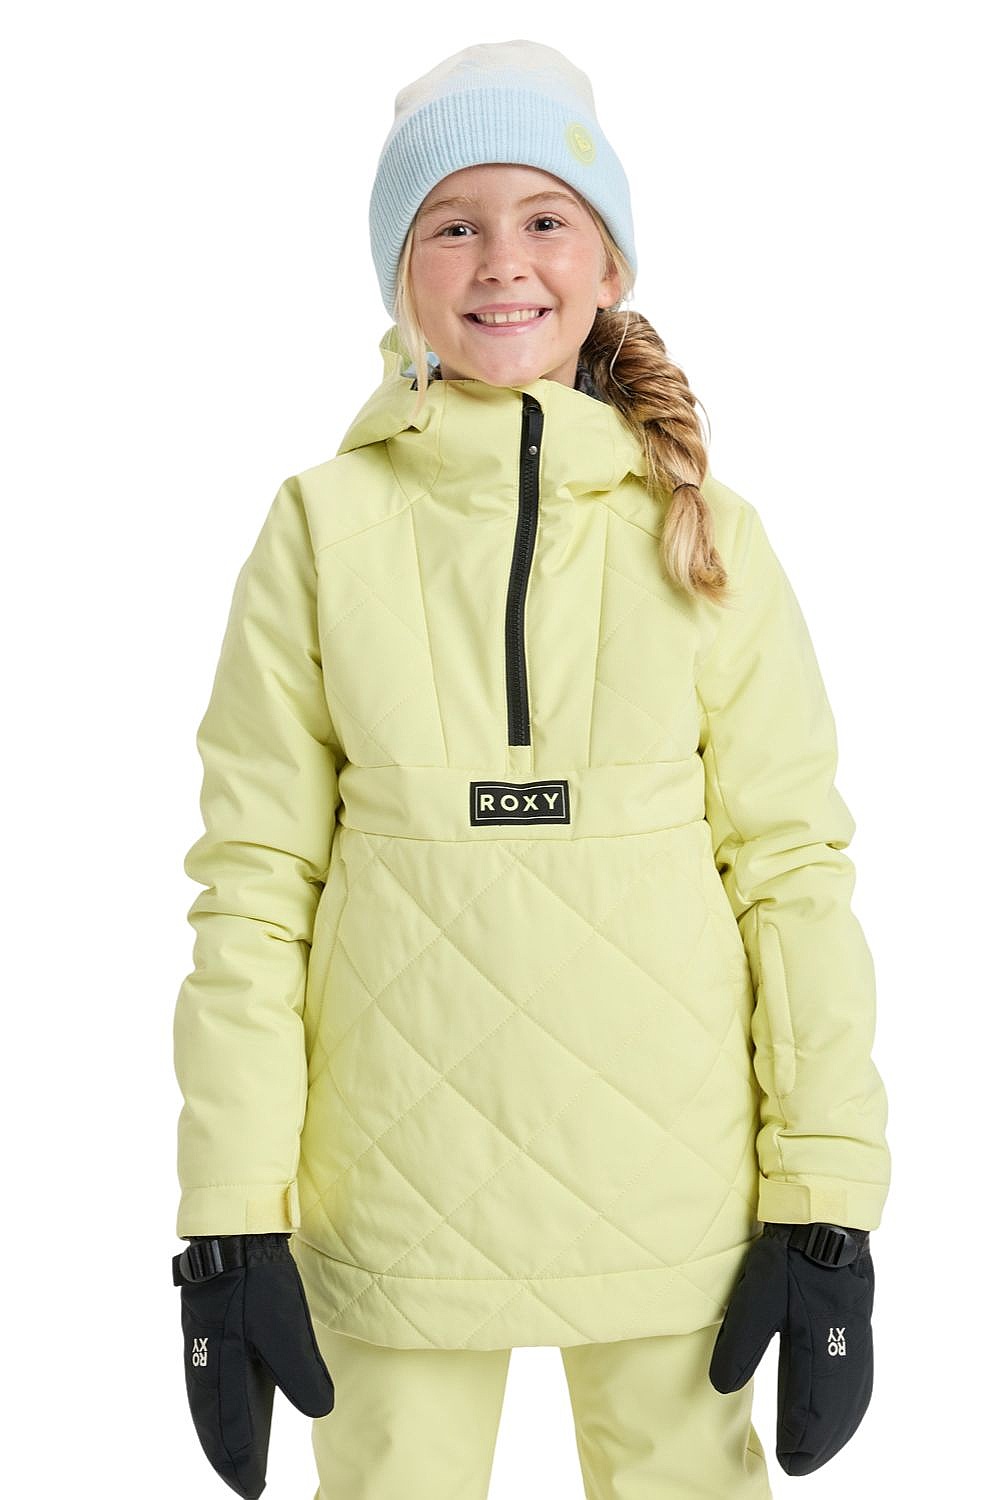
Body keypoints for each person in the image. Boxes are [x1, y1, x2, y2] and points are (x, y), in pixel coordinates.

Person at [170, 38, 891, 1500]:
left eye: (546, 216)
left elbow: (794, 877)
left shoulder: (707, 536)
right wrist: (227, 1217)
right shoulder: (319, 533)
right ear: (398, 273)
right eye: (452, 223)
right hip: (392, 1199)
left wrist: (827, 1199)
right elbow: (253, 887)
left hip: (673, 1194)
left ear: (609, 261)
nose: (503, 260)